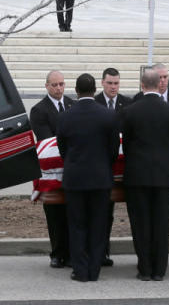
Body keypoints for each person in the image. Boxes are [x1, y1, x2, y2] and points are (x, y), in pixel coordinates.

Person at [57, 73, 119, 283]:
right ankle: (94, 269)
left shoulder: (65, 116)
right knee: (98, 224)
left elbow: (62, 149)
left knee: (77, 225)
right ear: (95, 91)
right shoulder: (108, 116)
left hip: (75, 178)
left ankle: (80, 270)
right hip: (100, 178)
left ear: (76, 90)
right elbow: (113, 150)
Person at [121, 68, 169, 281]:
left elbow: (126, 145)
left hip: (137, 175)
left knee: (141, 224)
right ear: (159, 84)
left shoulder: (129, 111)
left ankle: (145, 269)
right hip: (164, 175)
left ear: (142, 85)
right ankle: (159, 270)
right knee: (161, 223)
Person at [28, 70, 75, 268]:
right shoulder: (39, 110)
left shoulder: (73, 105)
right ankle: (57, 253)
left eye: (61, 84)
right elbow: (48, 140)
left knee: (72, 213)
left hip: (72, 168)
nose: (58, 88)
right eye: (54, 85)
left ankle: (72, 253)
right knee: (55, 214)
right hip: (52, 170)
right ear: (47, 86)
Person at [93, 67, 127, 266]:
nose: (114, 87)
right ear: (102, 83)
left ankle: (103, 251)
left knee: (109, 214)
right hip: (99, 166)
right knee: (99, 213)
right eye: (110, 83)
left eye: (116, 83)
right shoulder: (95, 103)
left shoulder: (127, 104)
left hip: (118, 168)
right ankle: (98, 252)